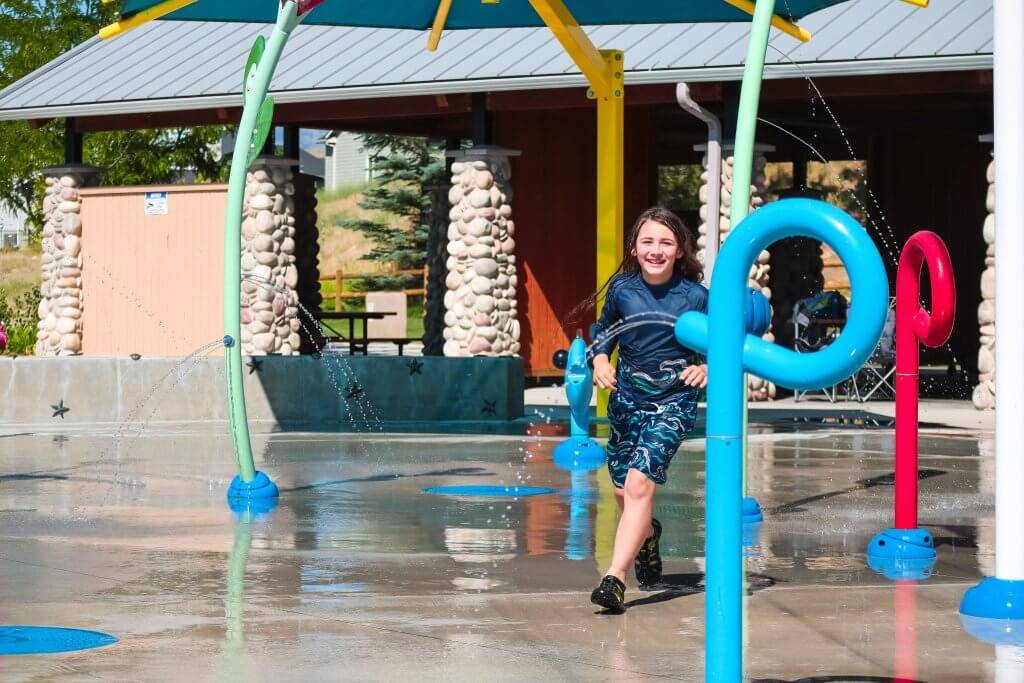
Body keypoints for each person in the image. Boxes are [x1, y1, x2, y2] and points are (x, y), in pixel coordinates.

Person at [585, 206, 708, 613]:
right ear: (634, 248)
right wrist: (600, 360)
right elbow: (603, 333)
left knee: (640, 485)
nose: (656, 250)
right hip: (626, 401)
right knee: (623, 492)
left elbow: (721, 343)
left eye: (666, 243)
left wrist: (706, 366)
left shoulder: (695, 296)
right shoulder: (622, 290)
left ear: (679, 251)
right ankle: (648, 536)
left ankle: (614, 579)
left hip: (673, 401)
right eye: (648, 242)